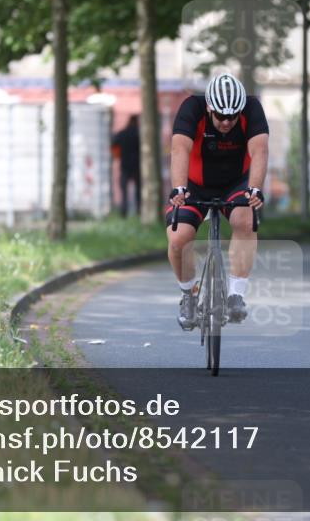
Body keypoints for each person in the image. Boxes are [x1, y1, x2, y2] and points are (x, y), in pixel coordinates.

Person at [166, 73, 268, 330]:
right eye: (220, 116)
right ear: (209, 107)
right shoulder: (192, 107)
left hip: (236, 183)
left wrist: (255, 189)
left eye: (232, 117)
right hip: (194, 184)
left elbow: (260, 151)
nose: (226, 122)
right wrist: (178, 187)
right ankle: (188, 295)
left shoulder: (252, 108)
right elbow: (180, 149)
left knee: (246, 220)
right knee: (178, 238)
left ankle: (236, 294)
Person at [111, 114, 141, 217]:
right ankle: (139, 212)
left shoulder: (122, 133)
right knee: (138, 191)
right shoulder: (139, 134)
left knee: (124, 192)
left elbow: (113, 144)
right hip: (137, 166)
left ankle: (123, 213)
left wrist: (117, 156)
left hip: (125, 166)